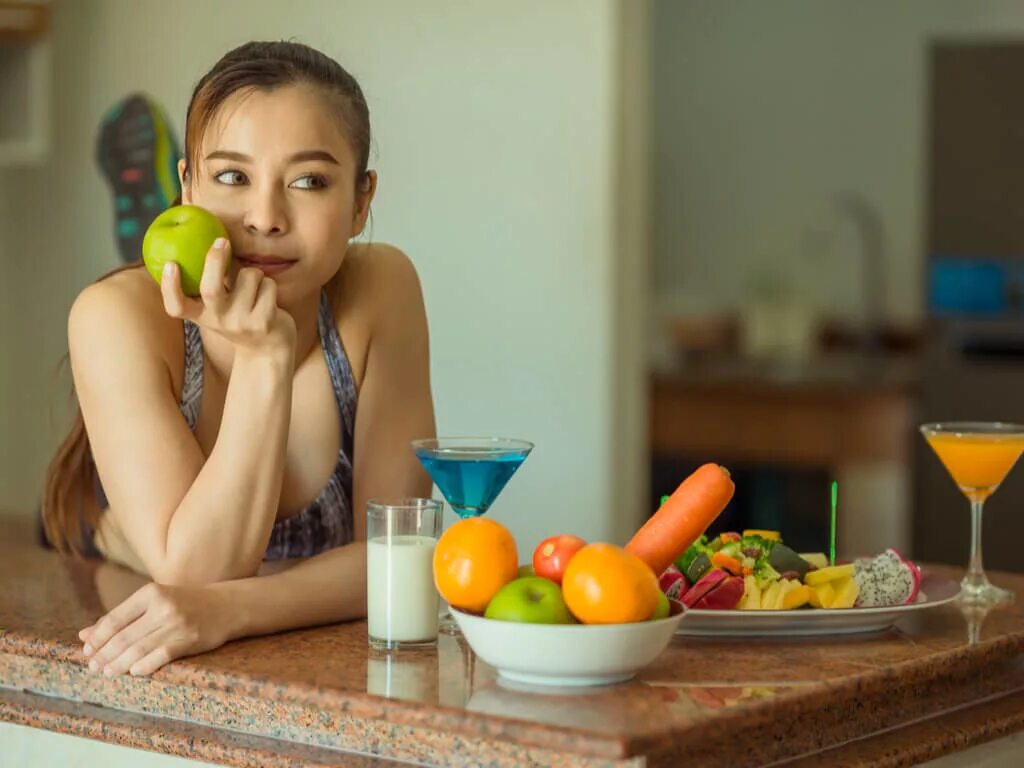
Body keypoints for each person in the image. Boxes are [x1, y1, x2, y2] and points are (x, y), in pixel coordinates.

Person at [40, 40, 436, 677]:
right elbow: (198, 572)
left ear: (362, 201)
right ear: (188, 185)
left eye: (308, 181)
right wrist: (263, 359)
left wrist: (230, 610)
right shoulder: (110, 315)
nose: (266, 218)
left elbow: (402, 552)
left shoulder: (381, 286)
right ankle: (157, 242)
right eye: (231, 177)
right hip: (101, 551)